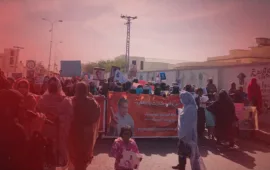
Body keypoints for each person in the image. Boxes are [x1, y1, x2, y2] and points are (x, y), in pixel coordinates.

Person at [64, 82, 101, 170]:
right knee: (83, 157)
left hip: (74, 131)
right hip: (86, 132)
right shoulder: (92, 102)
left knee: (75, 156)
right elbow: (97, 114)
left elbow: (65, 114)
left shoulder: (71, 101)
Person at [37, 77, 67, 168]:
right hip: (46, 129)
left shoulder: (63, 99)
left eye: (54, 83)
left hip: (57, 130)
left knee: (54, 153)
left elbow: (68, 114)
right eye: (51, 84)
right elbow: (37, 111)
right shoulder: (43, 98)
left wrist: (57, 117)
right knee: (46, 152)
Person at [172, 91, 205, 170]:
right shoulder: (187, 106)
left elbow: (189, 123)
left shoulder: (191, 108)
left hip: (188, 134)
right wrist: (178, 110)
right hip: (183, 134)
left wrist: (187, 136)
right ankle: (181, 166)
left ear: (186, 99)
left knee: (191, 153)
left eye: (182, 98)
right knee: (181, 151)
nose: (181, 100)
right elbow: (182, 113)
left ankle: (194, 168)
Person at [0, 89, 28, 170]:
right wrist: (36, 131)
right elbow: (24, 161)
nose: (23, 109)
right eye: (19, 106)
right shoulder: (16, 130)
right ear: (8, 109)